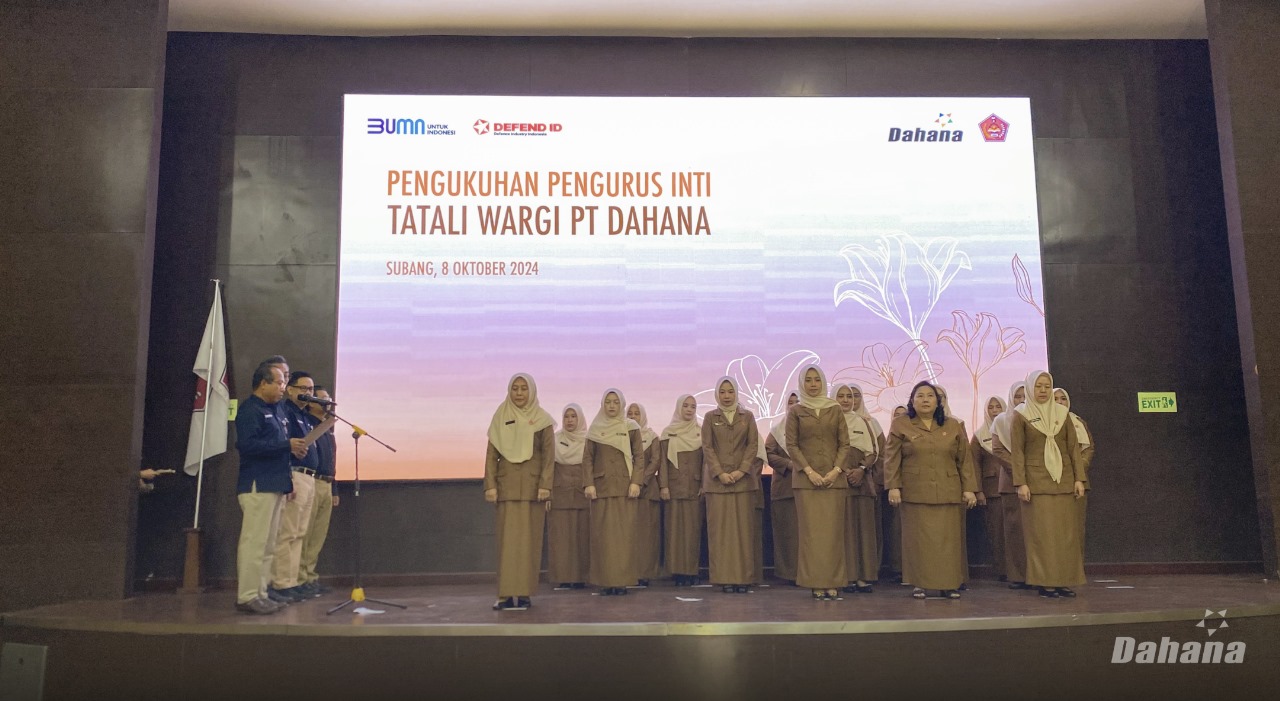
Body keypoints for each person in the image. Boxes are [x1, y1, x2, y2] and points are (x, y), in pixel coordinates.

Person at [883, 381, 978, 600]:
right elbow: (891, 458)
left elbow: (964, 460)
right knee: (919, 542)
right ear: (912, 401)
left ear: (938, 402)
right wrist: (893, 486)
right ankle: (921, 584)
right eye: (920, 396)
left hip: (948, 490)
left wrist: (969, 489)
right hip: (915, 492)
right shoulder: (901, 424)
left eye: (930, 396)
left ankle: (949, 584)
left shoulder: (953, 425)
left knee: (948, 542)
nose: (925, 400)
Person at [233, 361, 305, 615]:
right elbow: (247, 446)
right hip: (258, 483)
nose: (283, 387)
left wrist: (291, 453)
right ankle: (247, 595)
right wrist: (286, 445)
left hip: (275, 483)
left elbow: (278, 447)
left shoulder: (277, 410)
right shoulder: (250, 410)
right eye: (279, 382)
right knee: (254, 543)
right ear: (263, 383)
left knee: (268, 544)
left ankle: (261, 592)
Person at [484, 373, 555, 611]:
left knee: (529, 545)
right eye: (515, 388)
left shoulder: (543, 419)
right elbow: (491, 455)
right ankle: (504, 595)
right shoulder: (500, 416)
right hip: (507, 489)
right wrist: (490, 485)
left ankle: (524, 594)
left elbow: (548, 457)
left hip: (534, 491)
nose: (519, 393)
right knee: (507, 545)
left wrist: (545, 485)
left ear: (531, 391)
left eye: (524, 388)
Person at [1012, 371, 1085, 599]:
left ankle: (1064, 581)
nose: (1043, 390)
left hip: (1063, 481)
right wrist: (1021, 483)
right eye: (1038, 386)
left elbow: (1073, 448)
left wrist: (1079, 479)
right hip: (1036, 485)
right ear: (1030, 388)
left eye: (1046, 386)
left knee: (1065, 536)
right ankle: (1046, 582)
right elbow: (1017, 452)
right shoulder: (1021, 414)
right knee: (1042, 537)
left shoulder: (1062, 414)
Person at [786, 364, 850, 601]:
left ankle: (833, 582)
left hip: (834, 481)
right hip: (807, 483)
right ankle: (815, 583)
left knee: (832, 535)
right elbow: (792, 445)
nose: (813, 384)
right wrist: (809, 471)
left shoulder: (835, 409)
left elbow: (845, 443)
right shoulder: (796, 410)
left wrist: (836, 471)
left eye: (816, 379)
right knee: (812, 536)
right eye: (808, 380)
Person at [701, 376, 763, 594]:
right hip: (717, 484)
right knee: (720, 533)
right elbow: (707, 447)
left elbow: (752, 445)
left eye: (730, 391)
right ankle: (724, 578)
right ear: (717, 394)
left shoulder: (748, 416)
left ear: (736, 393)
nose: (726, 396)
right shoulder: (710, 417)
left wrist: (741, 471)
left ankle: (743, 578)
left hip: (743, 482)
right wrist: (719, 473)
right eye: (722, 392)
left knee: (743, 532)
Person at [582, 388, 645, 596]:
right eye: (608, 402)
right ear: (602, 404)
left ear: (622, 404)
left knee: (624, 537)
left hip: (626, 488)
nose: (611, 406)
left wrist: (636, 482)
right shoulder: (595, 428)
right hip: (601, 490)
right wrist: (589, 483)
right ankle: (605, 581)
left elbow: (639, 457)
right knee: (603, 538)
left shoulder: (631, 427)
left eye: (616, 402)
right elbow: (588, 458)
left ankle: (622, 581)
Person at [268, 371, 323, 604]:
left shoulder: (304, 415)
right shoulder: (286, 412)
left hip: (309, 477)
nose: (308, 393)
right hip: (295, 473)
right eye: (303, 388)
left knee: (300, 533)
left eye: (311, 389)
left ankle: (294, 582)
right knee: (288, 532)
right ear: (289, 389)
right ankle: (282, 583)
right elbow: (284, 444)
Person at [836, 384, 880, 594]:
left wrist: (861, 469)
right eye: (841, 396)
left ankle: (863, 577)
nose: (846, 400)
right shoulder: (829, 422)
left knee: (864, 531)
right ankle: (847, 577)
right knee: (844, 531)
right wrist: (843, 470)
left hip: (862, 483)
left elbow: (873, 451)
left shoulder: (863, 421)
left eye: (849, 396)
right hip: (837, 482)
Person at [659, 394, 704, 586]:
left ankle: (690, 571)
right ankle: (676, 571)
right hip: (674, 487)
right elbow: (662, 462)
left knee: (692, 531)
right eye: (685, 406)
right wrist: (663, 485)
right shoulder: (668, 432)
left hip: (694, 487)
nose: (689, 409)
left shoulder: (701, 432)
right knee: (674, 530)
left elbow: (705, 462)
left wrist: (704, 485)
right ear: (679, 407)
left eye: (693, 406)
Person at [298, 385, 339, 596]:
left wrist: (334, 489)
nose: (327, 402)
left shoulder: (327, 428)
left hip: (327, 484)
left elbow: (331, 461)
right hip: (311, 482)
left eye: (328, 398)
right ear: (311, 402)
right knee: (305, 533)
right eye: (322, 399)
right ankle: (300, 578)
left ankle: (310, 577)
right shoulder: (307, 424)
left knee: (317, 535)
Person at [991, 381, 1030, 590]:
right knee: (1015, 531)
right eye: (1017, 396)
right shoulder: (1001, 420)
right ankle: (1018, 576)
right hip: (1010, 482)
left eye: (1025, 395)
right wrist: (1020, 472)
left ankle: (1039, 575)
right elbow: (998, 450)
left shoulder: (1038, 418)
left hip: (1038, 481)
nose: (1022, 400)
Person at [548, 403, 590, 590]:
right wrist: (548, 494)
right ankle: (563, 577)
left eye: (574, 416)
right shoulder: (554, 440)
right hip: (560, 495)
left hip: (583, 495)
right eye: (566, 416)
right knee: (561, 538)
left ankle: (581, 577)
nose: (570, 420)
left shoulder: (589, 440)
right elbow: (548, 469)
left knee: (582, 537)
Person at [1055, 388, 1095, 558]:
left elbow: (1088, 448)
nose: (1060, 402)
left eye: (1063, 398)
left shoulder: (1078, 422)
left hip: (1078, 480)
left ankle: (1076, 567)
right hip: (1054, 481)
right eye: (1055, 399)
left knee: (1076, 527)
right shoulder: (1044, 423)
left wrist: (1078, 468)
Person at [971, 396, 1008, 581]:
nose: (995, 410)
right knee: (997, 532)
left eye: (998, 406)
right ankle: (1003, 570)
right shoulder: (979, 435)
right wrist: (978, 491)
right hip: (992, 491)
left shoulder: (1012, 429)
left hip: (1015, 488)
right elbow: (974, 465)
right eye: (991, 407)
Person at [765, 392, 800, 583]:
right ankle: (788, 573)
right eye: (790, 402)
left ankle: (808, 573)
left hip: (809, 488)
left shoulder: (811, 428)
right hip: (784, 489)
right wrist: (788, 464)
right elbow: (768, 454)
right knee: (787, 534)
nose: (793, 405)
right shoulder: (777, 430)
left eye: (798, 402)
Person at [628, 403, 663, 587]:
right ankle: (628, 573)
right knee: (629, 535)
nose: (633, 416)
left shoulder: (652, 437)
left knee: (646, 535)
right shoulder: (620, 436)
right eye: (630, 413)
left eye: (637, 413)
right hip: (625, 492)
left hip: (647, 492)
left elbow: (655, 461)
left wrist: (639, 481)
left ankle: (645, 573)